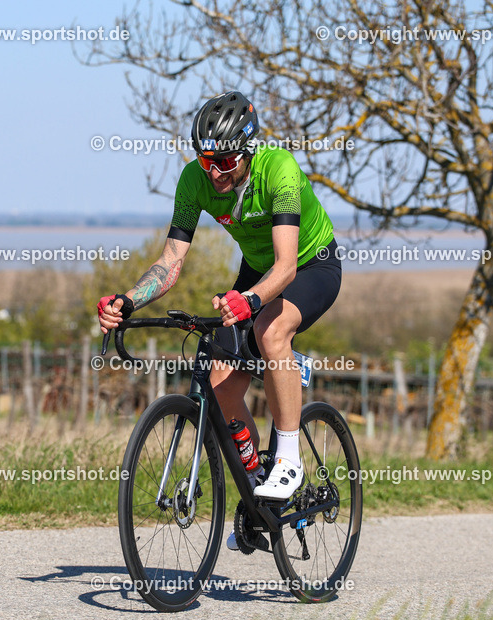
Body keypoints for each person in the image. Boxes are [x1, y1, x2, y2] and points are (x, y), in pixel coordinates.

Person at [97, 91, 341, 518]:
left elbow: (285, 268)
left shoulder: (278, 170)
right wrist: (129, 300)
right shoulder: (195, 180)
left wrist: (249, 301)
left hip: (309, 265)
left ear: (247, 151)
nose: (215, 174)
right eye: (207, 162)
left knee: (270, 330)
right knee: (219, 382)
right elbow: (171, 259)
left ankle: (288, 460)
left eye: (225, 162)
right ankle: (256, 491)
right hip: (257, 271)